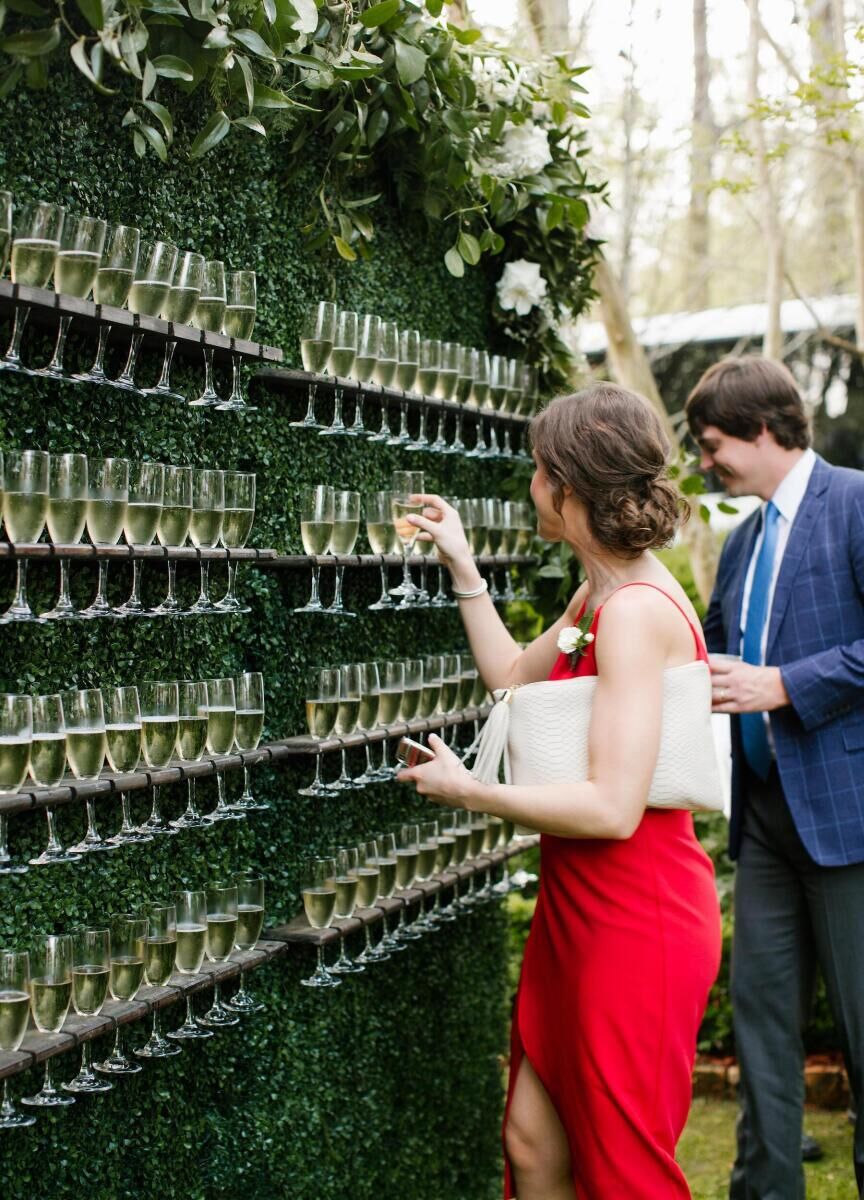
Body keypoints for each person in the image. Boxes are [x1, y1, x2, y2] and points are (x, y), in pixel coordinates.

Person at [399, 383, 722, 1200]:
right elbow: (511, 676)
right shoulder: (598, 594)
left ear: (568, 486)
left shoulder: (637, 612)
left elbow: (614, 809)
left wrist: (472, 793)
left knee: (625, 1169)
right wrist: (464, 566)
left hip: (635, 920)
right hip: (574, 908)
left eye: (539, 470)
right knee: (533, 1144)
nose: (531, 485)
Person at [686, 355, 864, 1198]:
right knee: (759, 1033)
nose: (705, 462)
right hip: (761, 826)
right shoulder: (741, 540)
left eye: (712, 444)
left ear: (761, 430)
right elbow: (711, 658)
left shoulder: (858, 503)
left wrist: (787, 684)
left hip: (850, 820)